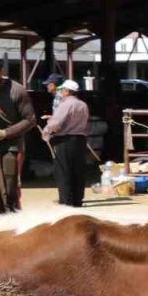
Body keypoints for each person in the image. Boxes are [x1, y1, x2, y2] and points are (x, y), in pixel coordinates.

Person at [0, 58, 36, 212]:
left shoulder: (17, 90)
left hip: (10, 146)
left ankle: (11, 218)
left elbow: (30, 120)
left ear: (1, 73)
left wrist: (4, 133)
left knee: (9, 187)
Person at [41, 79, 90, 208]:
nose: (61, 92)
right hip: (80, 140)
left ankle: (66, 201)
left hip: (65, 140)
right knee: (78, 171)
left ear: (67, 91)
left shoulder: (65, 104)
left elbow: (56, 122)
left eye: (62, 90)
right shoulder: (83, 105)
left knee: (63, 171)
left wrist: (46, 131)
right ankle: (77, 200)